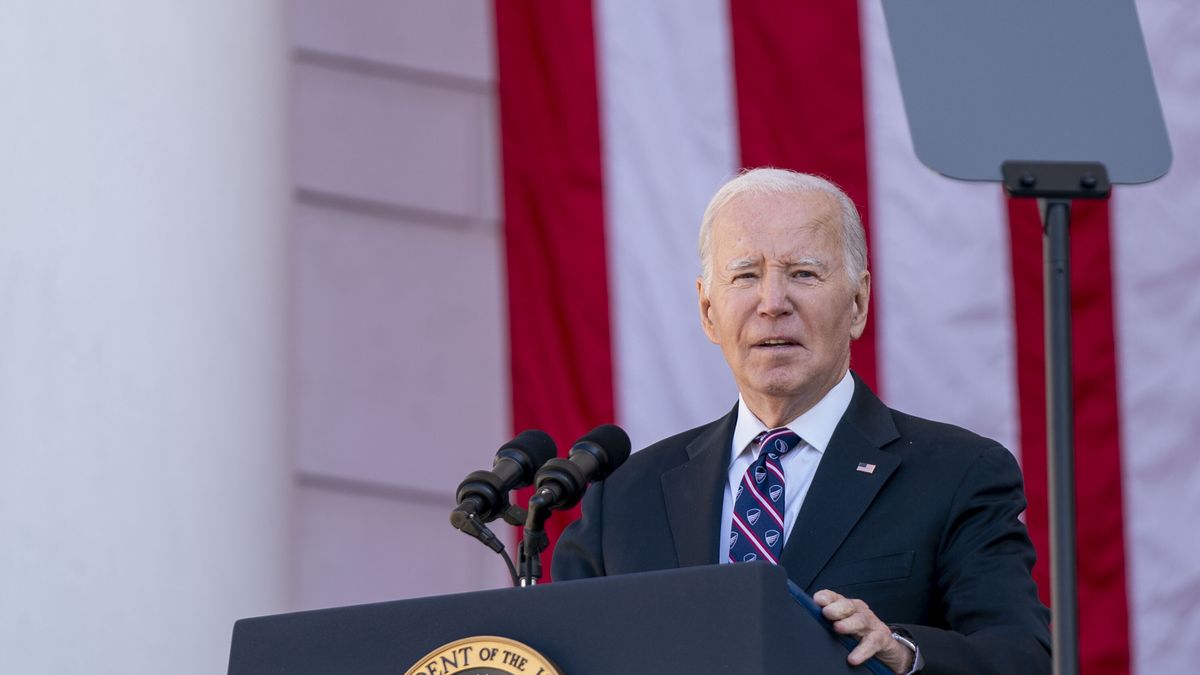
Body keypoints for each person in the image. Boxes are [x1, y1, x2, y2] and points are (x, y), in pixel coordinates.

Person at [552, 168, 1051, 674]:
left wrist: (900, 653)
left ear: (857, 303)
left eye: (804, 274)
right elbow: (559, 654)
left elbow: (1020, 658)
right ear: (708, 310)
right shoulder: (624, 498)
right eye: (745, 275)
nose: (772, 304)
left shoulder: (958, 474)